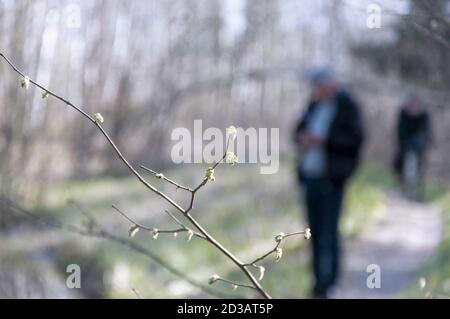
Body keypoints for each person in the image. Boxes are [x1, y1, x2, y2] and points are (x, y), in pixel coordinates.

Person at [293, 67, 364, 298]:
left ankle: (331, 283)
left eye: (321, 86)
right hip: (310, 177)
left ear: (331, 84)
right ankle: (317, 285)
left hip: (332, 179)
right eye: (315, 87)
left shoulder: (347, 106)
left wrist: (325, 140)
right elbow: (297, 131)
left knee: (329, 232)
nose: (318, 91)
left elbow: (355, 140)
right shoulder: (313, 105)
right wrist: (303, 137)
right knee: (313, 232)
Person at [393, 94, 432, 198]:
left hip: (418, 148)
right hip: (405, 146)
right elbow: (400, 131)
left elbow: (426, 133)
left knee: (417, 170)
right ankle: (402, 188)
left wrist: (425, 146)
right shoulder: (403, 113)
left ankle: (415, 192)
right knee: (397, 165)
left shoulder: (424, 116)